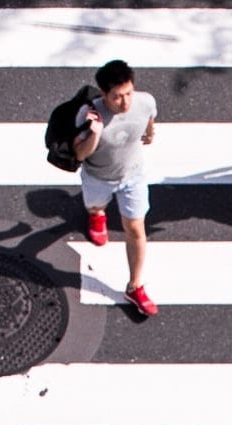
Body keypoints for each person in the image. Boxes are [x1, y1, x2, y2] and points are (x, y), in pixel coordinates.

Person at [74, 58, 159, 319]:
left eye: (128, 94)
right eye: (117, 97)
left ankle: (135, 286)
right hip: (99, 177)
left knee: (135, 227)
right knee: (95, 205)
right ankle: (97, 214)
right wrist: (95, 133)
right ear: (103, 94)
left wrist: (150, 133)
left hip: (133, 175)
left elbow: (149, 118)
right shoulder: (89, 114)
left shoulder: (145, 101)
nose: (125, 102)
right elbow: (79, 154)